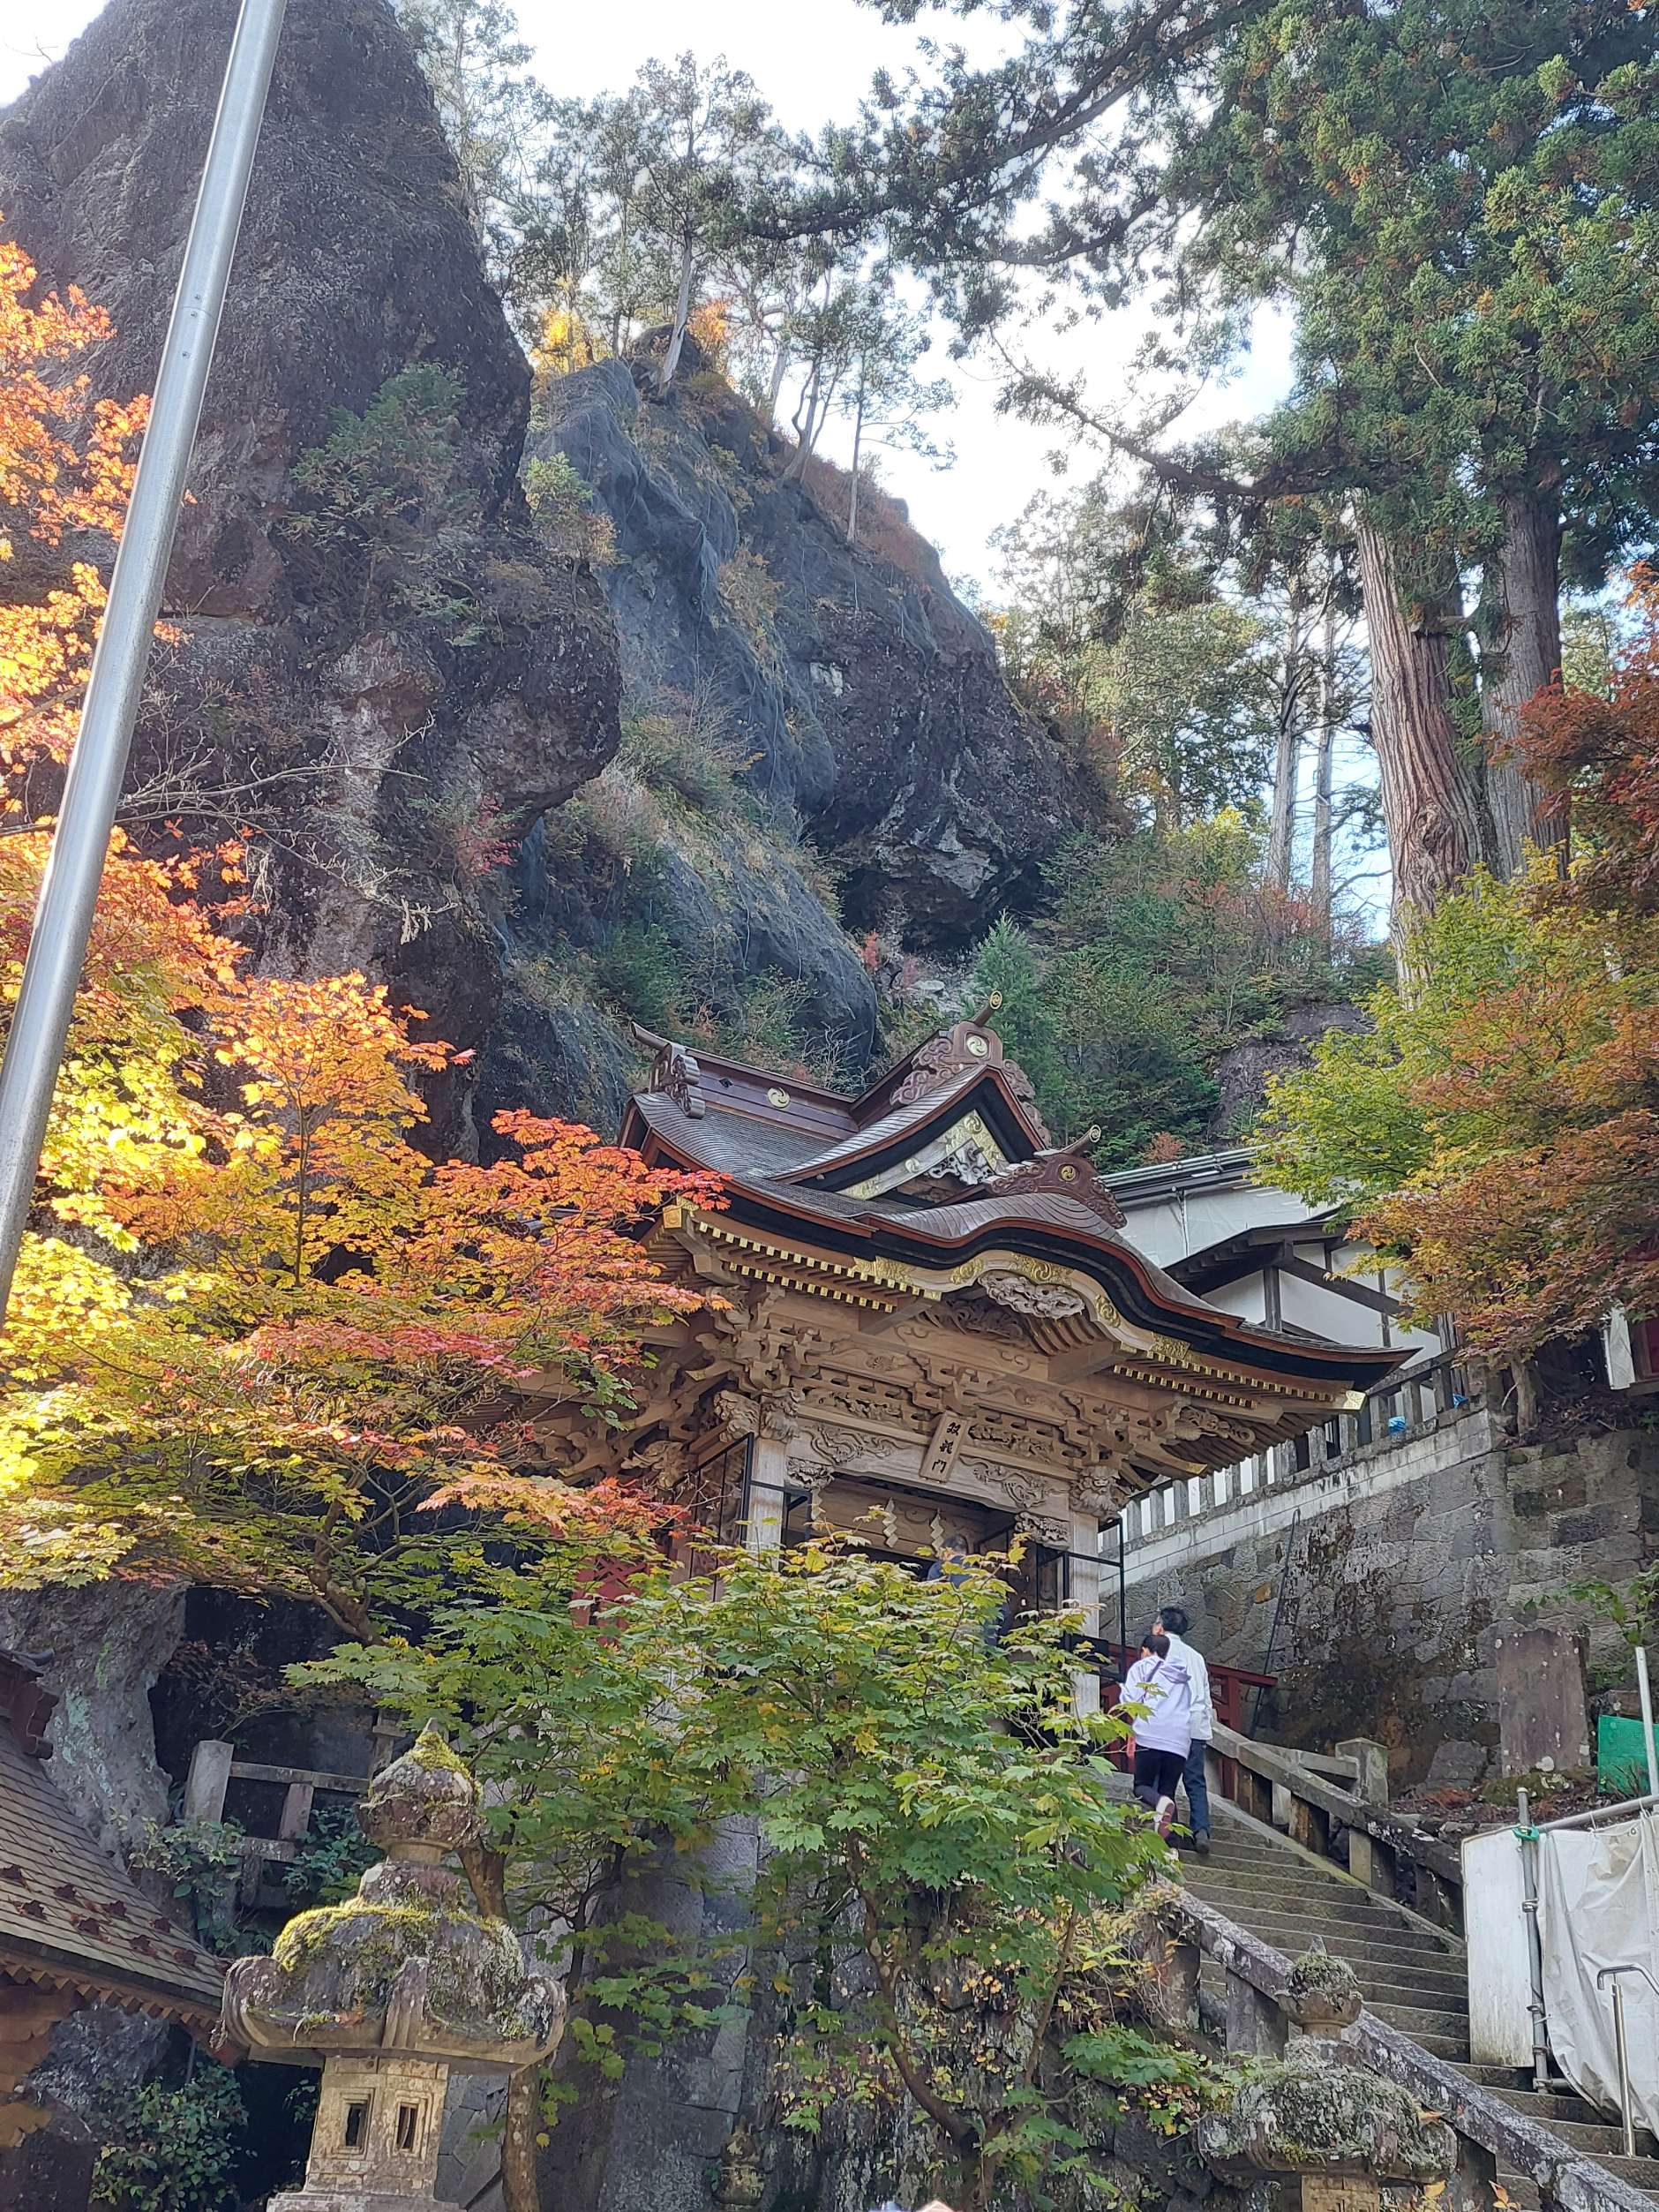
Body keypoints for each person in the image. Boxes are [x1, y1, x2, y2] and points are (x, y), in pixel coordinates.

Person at [1116, 1628, 1192, 1839]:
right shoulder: (1181, 1676)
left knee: (1142, 1786)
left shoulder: (1142, 1668)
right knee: (1168, 1792)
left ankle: (1160, 1804)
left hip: (1150, 1734)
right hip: (1179, 1741)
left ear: (1145, 1650)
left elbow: (1130, 1702)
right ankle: (1170, 1846)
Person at [1155, 1604, 1212, 1855]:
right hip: (1196, 1728)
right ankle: (1201, 1831)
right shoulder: (1197, 1657)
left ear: (1161, 1625)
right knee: (1196, 1782)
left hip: (1169, 1726)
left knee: (1165, 1781)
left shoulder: (1158, 1650)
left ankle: (1171, 1830)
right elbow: (1206, 1697)